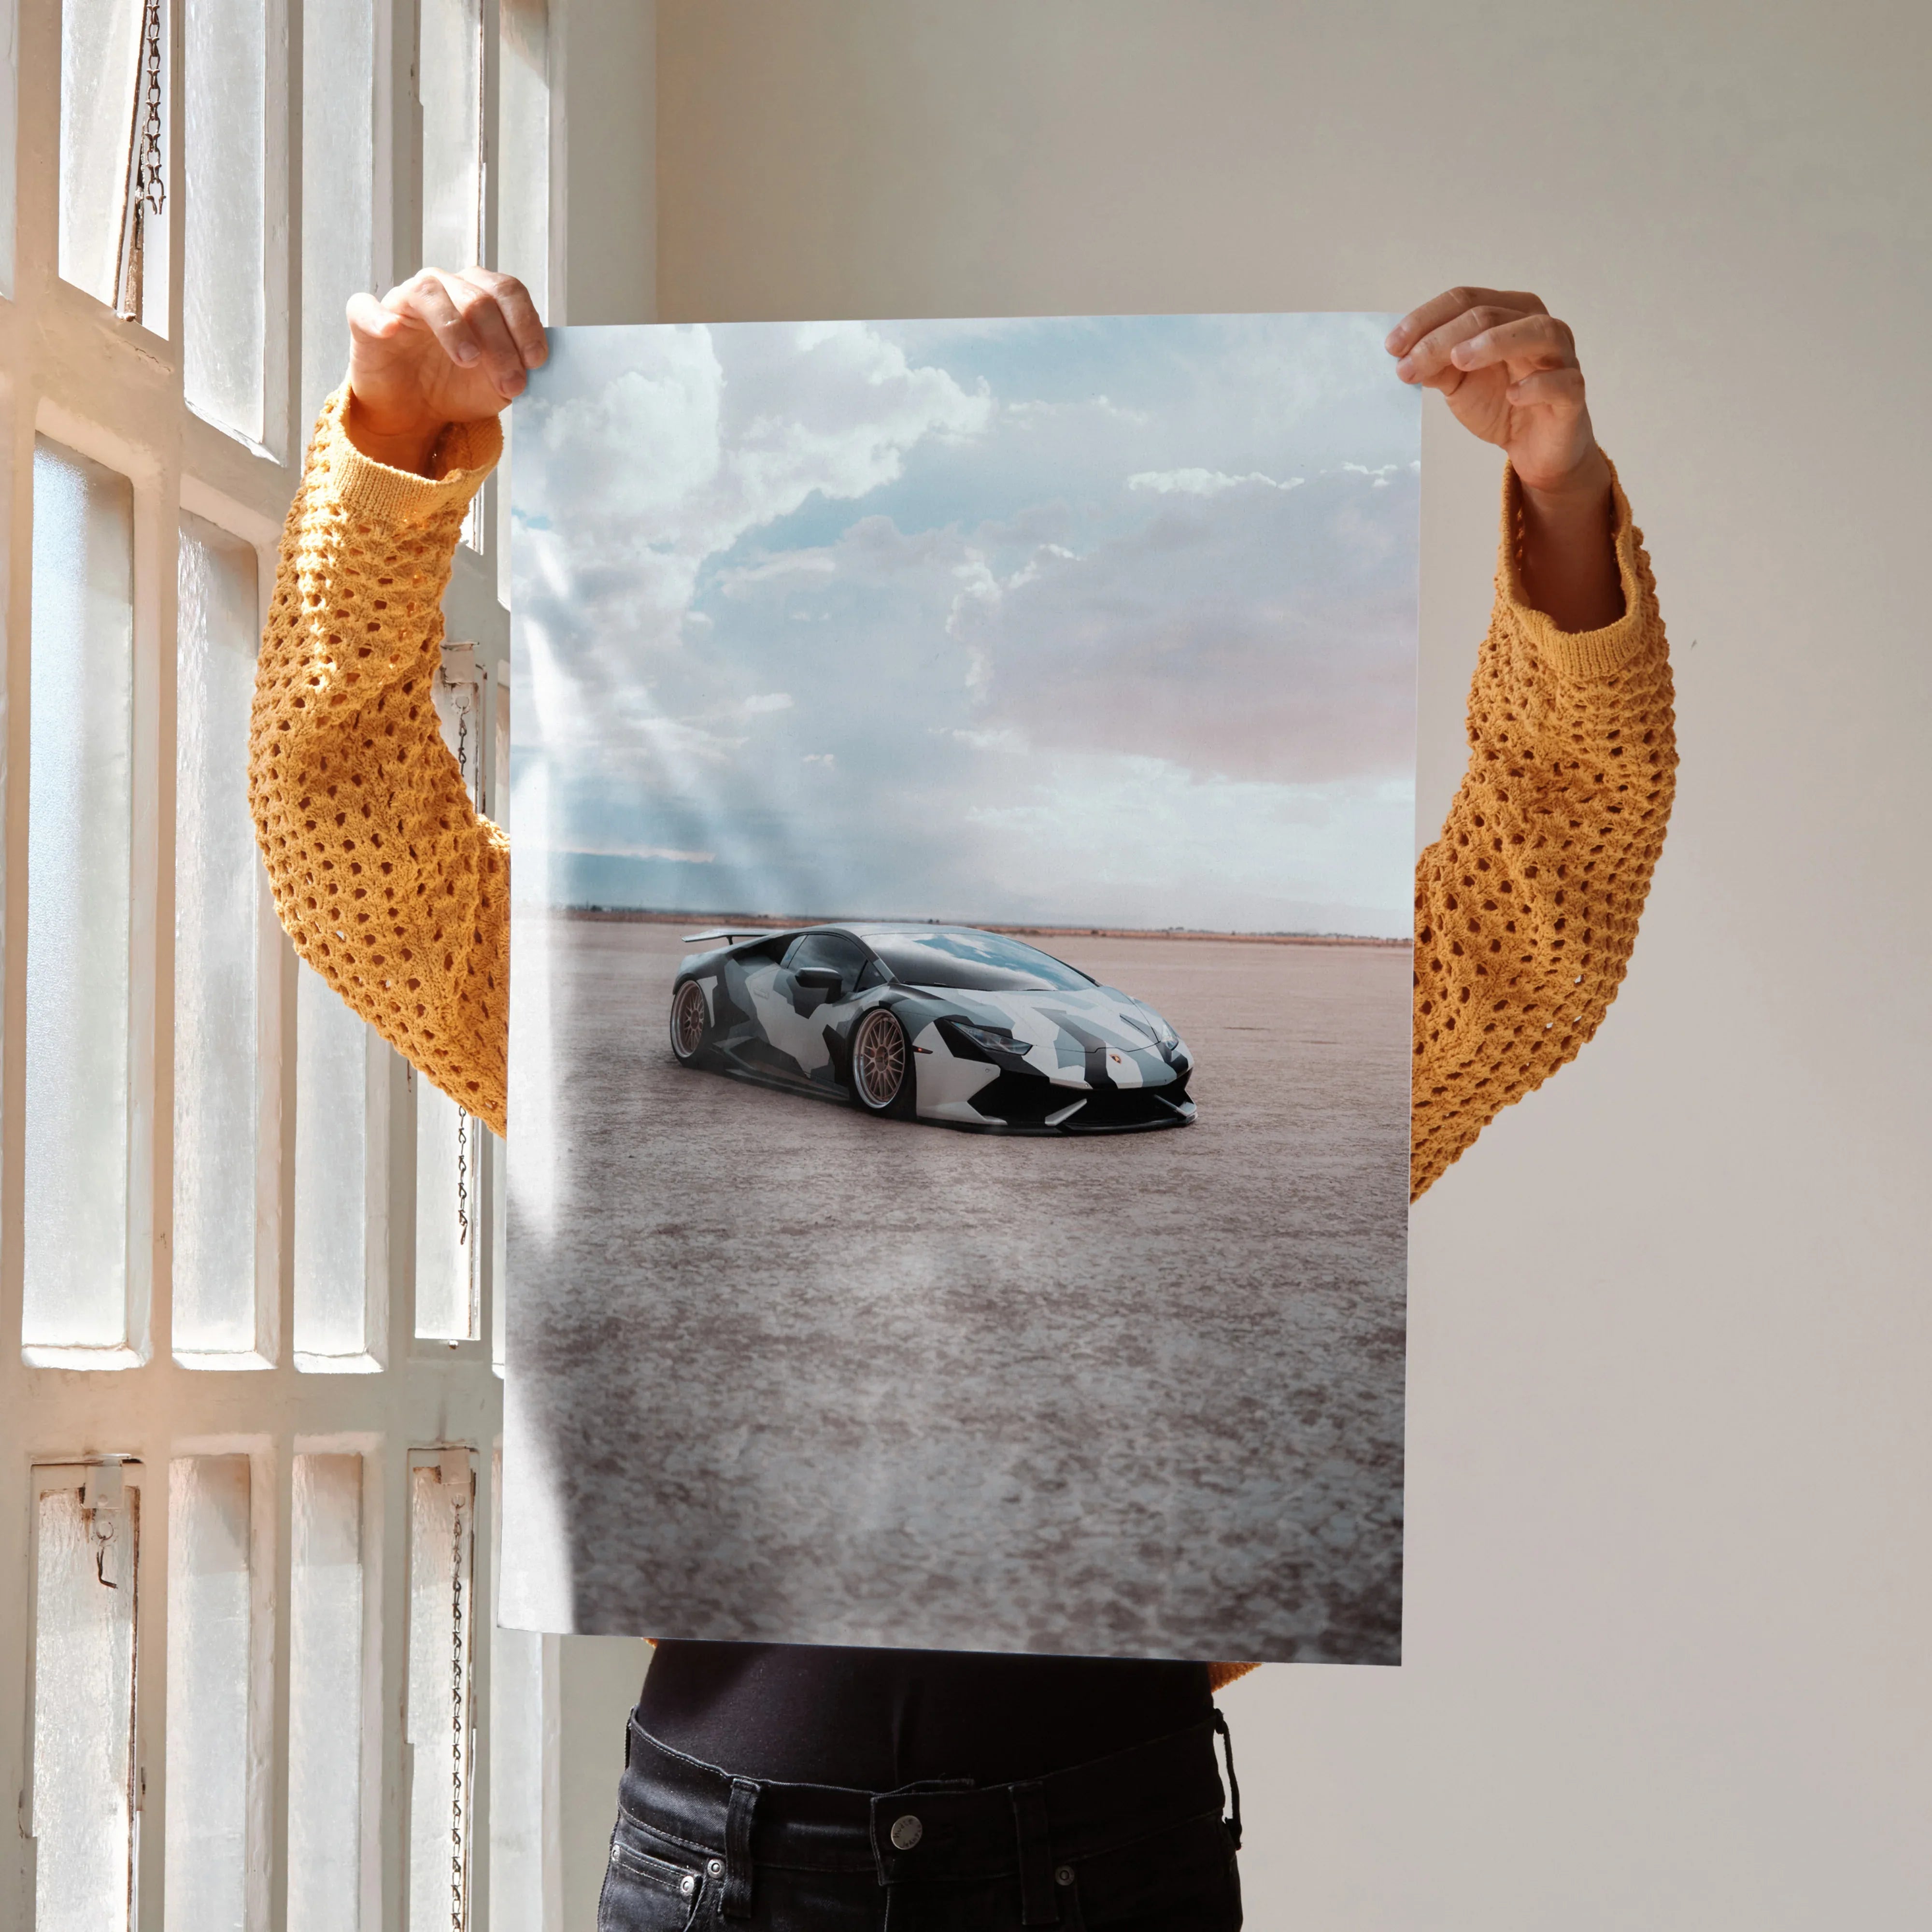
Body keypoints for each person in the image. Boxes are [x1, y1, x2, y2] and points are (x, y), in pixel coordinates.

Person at [250, 269, 1675, 1930]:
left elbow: (1543, 911)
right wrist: (393, 445)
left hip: (1104, 1852)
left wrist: (1560, 498)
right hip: (730, 1864)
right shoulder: (628, 1028)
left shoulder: (1211, 1051)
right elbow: (349, 844)